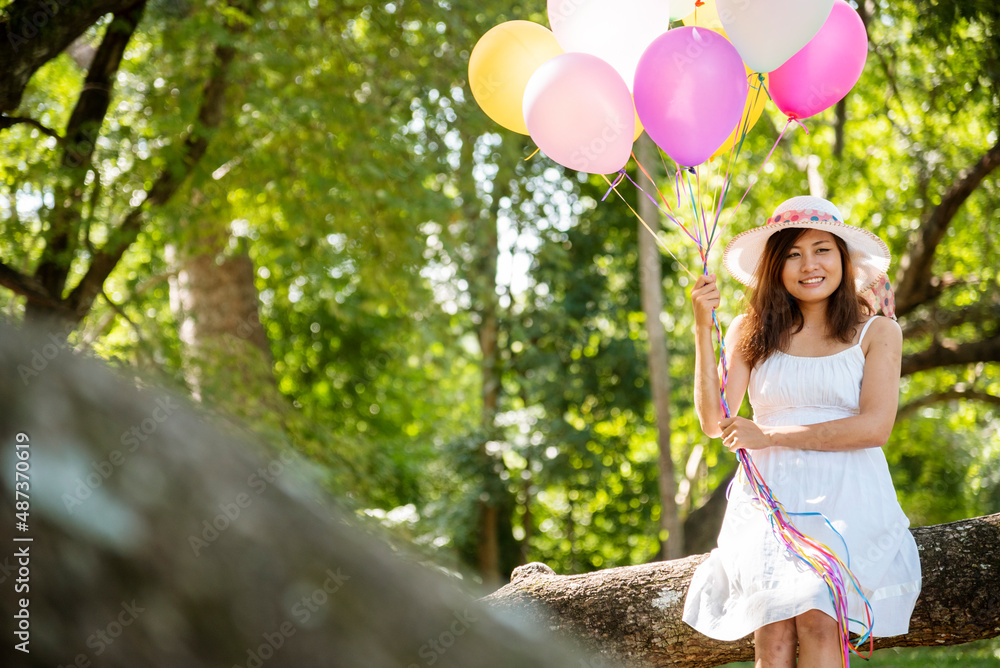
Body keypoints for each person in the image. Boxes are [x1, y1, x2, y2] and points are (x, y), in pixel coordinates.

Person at [681, 196, 922, 667]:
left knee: (817, 615)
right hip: (769, 497)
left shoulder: (877, 333)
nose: (808, 265)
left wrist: (771, 437)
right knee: (771, 630)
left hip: (848, 494)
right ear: (776, 266)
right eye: (792, 253)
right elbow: (717, 421)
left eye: (822, 250)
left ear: (843, 258)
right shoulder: (750, 331)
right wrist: (700, 331)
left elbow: (874, 428)